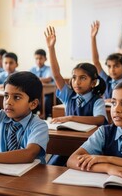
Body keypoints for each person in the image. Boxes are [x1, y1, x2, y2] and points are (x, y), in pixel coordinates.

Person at [45, 26, 107, 166]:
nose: (77, 82)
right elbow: (56, 74)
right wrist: (51, 48)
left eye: (83, 78)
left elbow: (99, 119)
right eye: (74, 78)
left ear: (93, 82)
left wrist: (71, 117)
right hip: (68, 140)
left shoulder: (96, 100)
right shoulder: (69, 95)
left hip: (89, 146)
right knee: (52, 166)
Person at [90, 21, 122, 101]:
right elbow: (96, 62)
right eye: (109, 66)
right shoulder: (106, 80)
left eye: (116, 66)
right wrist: (93, 38)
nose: (112, 70)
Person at [29, 49, 54, 118]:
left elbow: (48, 79)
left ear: (45, 59)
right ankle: (31, 117)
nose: (38, 61)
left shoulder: (49, 69)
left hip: (48, 93)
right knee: (30, 100)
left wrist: (35, 79)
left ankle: (45, 117)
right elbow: (28, 79)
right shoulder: (32, 69)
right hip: (36, 93)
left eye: (40, 58)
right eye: (36, 58)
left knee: (46, 100)